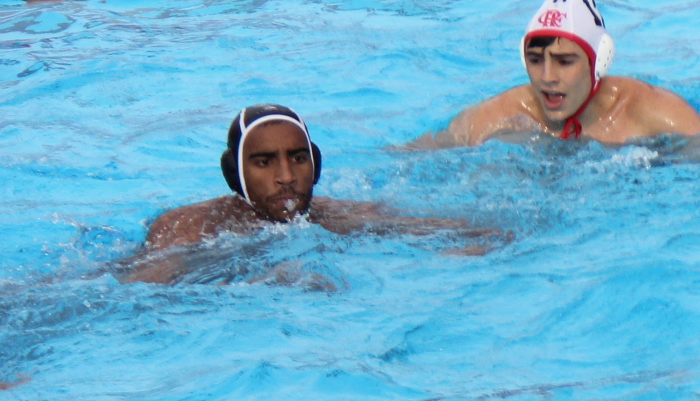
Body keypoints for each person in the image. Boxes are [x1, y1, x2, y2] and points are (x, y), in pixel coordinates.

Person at [126, 105, 496, 283]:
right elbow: (138, 294)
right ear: (234, 175)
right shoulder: (190, 229)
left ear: (316, 165)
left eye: (298, 159)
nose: (286, 177)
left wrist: (463, 252)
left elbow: (475, 232)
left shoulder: (336, 216)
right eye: (264, 162)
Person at [418, 0, 700, 148]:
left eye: (564, 61)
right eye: (535, 60)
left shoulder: (658, 114)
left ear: (599, 61)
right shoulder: (495, 117)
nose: (547, 77)